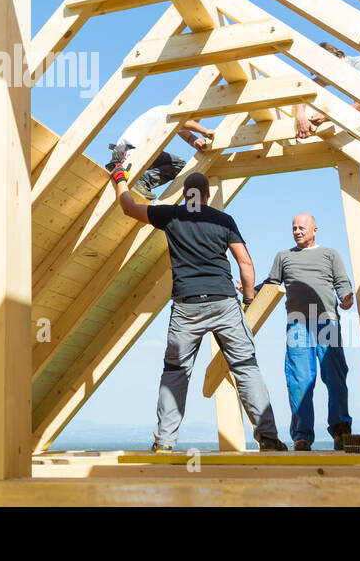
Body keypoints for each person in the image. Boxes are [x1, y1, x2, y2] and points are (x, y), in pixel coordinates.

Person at [111, 166, 287, 452]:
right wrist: (248, 300)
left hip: (186, 305)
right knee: (246, 367)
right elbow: (245, 263)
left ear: (184, 194)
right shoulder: (223, 220)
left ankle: (165, 443)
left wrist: (119, 179)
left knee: (176, 372)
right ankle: (268, 438)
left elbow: (129, 208)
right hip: (224, 301)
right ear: (207, 195)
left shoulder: (171, 214)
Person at [263, 213, 354, 451]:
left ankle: (341, 431)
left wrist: (346, 297)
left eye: (302, 228)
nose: (297, 231)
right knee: (299, 380)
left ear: (315, 230)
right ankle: (302, 436)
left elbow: (342, 282)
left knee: (335, 377)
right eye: (294, 228)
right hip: (297, 325)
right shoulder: (283, 257)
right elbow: (271, 284)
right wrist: (251, 291)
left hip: (327, 322)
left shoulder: (330, 254)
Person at [105, 104, 214, 199]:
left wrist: (195, 142)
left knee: (179, 164)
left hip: (124, 153)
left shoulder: (171, 117)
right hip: (131, 152)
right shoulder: (169, 112)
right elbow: (182, 121)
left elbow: (189, 137)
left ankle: (141, 181)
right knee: (179, 165)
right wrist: (204, 130)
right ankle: (142, 181)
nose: (195, 123)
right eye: (195, 120)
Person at [293, 43, 360, 137]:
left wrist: (326, 116)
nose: (329, 71)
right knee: (354, 134)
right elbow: (305, 89)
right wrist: (300, 116)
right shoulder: (333, 72)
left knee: (359, 134)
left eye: (329, 66)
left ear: (339, 56)